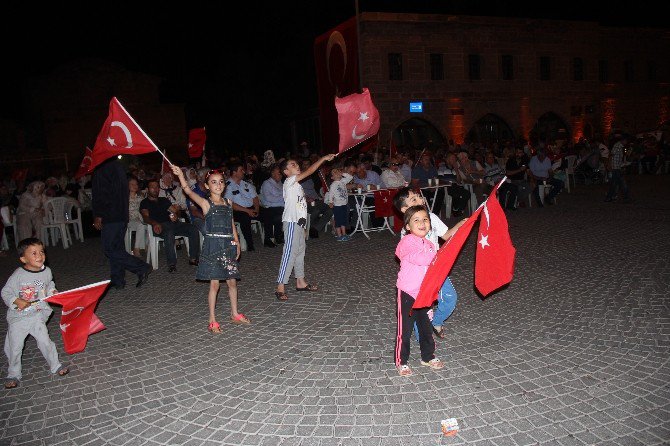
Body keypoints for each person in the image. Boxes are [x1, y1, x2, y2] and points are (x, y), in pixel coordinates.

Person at [172, 166, 248, 333]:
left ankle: (234, 313)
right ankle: (212, 318)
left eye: (221, 182)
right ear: (207, 186)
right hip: (213, 247)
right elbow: (188, 191)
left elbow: (231, 223)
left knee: (232, 282)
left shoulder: (228, 203)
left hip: (228, 246)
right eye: (213, 182)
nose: (218, 185)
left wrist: (236, 242)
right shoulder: (206, 203)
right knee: (214, 285)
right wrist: (180, 176)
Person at [393, 188, 467, 339]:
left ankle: (436, 321)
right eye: (414, 200)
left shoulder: (431, 217)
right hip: (418, 275)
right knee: (420, 305)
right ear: (405, 209)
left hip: (437, 270)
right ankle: (423, 339)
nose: (420, 200)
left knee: (449, 298)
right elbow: (406, 257)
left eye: (419, 197)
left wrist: (461, 224)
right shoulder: (406, 231)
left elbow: (446, 235)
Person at [2, 237, 69, 389]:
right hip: (19, 317)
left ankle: (55, 365)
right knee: (15, 347)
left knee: (45, 341)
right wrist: (16, 300)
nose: (39, 256)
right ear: (23, 258)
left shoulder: (47, 271)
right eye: (33, 253)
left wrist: (52, 291)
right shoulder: (18, 275)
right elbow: (6, 292)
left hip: (37, 315)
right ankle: (13, 374)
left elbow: (49, 283)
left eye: (41, 252)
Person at [275, 153, 336, 301]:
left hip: (299, 223)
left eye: (297, 164)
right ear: (286, 172)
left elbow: (300, 207)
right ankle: (280, 287)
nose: (297, 166)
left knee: (300, 252)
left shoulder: (297, 186)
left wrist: (303, 226)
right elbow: (309, 172)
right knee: (289, 253)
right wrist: (321, 159)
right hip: (290, 222)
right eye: (293, 165)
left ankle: (300, 282)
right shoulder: (289, 181)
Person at [394, 205, 443, 376]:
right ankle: (402, 361)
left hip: (425, 293)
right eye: (416, 220)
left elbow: (433, 268)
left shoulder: (430, 244)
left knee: (426, 327)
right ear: (407, 226)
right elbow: (416, 258)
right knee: (405, 330)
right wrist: (437, 256)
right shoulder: (406, 242)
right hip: (408, 292)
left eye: (425, 219)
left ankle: (428, 356)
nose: (422, 223)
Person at [93, 158, 152, 290]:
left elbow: (102, 194)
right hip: (120, 214)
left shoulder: (103, 168)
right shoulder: (118, 166)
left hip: (110, 215)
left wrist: (99, 214)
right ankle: (117, 279)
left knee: (109, 249)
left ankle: (141, 267)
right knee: (117, 248)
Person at [140, 179, 201, 273]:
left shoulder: (163, 200)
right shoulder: (144, 202)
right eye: (152, 187)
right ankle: (171, 264)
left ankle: (193, 258)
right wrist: (154, 223)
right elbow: (145, 217)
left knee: (192, 228)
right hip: (159, 227)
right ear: (147, 189)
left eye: (157, 187)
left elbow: (175, 211)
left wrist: (176, 215)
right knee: (169, 232)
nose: (155, 189)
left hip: (173, 224)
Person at [225, 162, 260, 251]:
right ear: (234, 173)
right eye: (241, 170)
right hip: (237, 211)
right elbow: (230, 203)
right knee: (245, 218)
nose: (243, 172)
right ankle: (250, 244)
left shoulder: (246, 184)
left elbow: (255, 197)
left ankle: (269, 238)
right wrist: (247, 211)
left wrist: (256, 209)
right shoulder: (227, 186)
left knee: (268, 213)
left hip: (251, 208)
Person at [324, 167, 353, 241]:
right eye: (335, 173)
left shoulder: (343, 181)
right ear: (332, 177)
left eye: (338, 172)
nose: (337, 174)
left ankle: (344, 234)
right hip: (337, 205)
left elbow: (350, 177)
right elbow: (331, 194)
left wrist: (342, 173)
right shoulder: (333, 184)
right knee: (338, 220)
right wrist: (330, 202)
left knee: (344, 220)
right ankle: (339, 235)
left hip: (344, 204)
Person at [259, 164, 285, 247]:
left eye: (281, 173)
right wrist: (283, 200)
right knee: (278, 214)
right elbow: (269, 198)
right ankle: (270, 238)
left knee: (286, 212)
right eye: (279, 173)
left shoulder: (281, 183)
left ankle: (279, 235)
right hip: (268, 208)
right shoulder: (267, 183)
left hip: (278, 207)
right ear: (272, 173)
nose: (281, 175)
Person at [605, 136, 631, 202]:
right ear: (623, 140)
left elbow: (617, 158)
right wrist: (609, 165)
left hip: (617, 167)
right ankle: (624, 197)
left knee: (616, 183)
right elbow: (611, 155)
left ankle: (610, 197)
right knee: (618, 183)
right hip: (615, 168)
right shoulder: (617, 146)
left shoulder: (619, 146)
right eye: (626, 141)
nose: (626, 143)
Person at [127, 176, 147, 258]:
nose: (135, 186)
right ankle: (136, 249)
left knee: (148, 223)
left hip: (139, 219)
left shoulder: (140, 197)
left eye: (136, 184)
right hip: (129, 220)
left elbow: (144, 209)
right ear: (127, 185)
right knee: (141, 224)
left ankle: (146, 244)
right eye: (132, 184)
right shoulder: (124, 198)